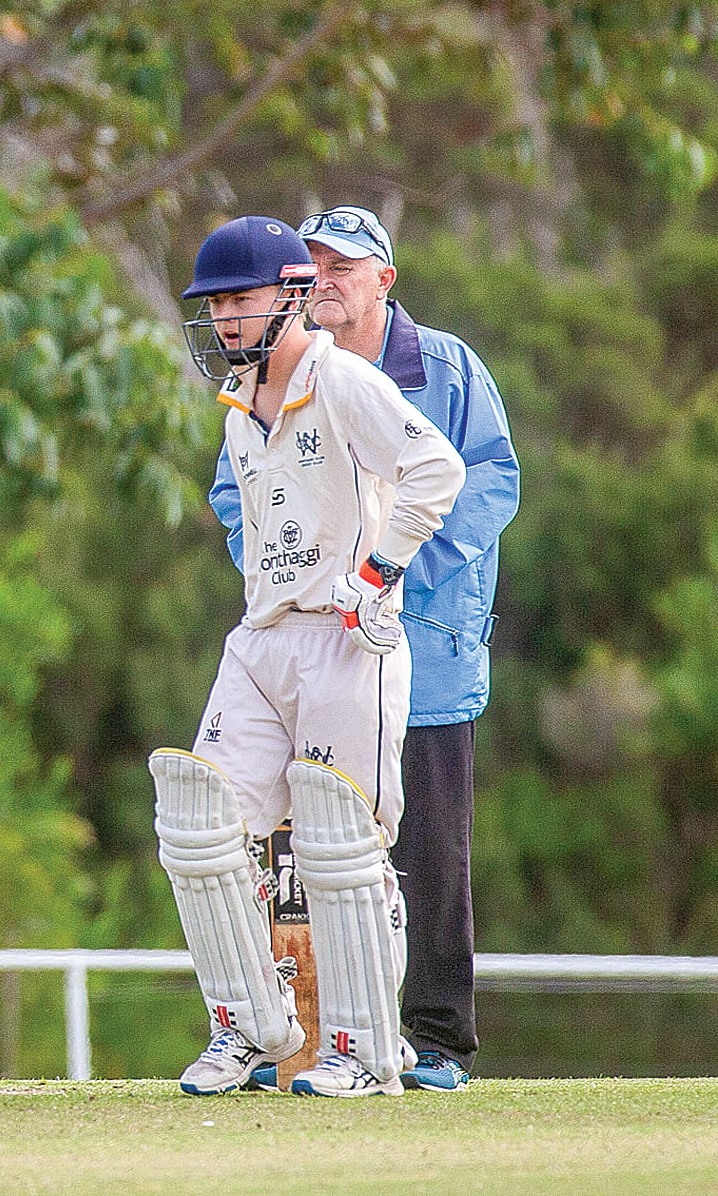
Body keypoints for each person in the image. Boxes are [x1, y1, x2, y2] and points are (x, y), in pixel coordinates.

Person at [150, 216, 465, 1097]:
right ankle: (250, 1025)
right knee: (196, 821)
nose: (224, 321)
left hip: (343, 635)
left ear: (290, 297)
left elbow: (435, 469)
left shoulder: (342, 381)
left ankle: (366, 1050)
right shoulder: (238, 408)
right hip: (260, 637)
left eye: (240, 301)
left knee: (337, 839)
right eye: (214, 305)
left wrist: (377, 573)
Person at [211, 206, 519, 1091]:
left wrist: (391, 566)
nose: (325, 279)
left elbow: (489, 479)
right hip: (317, 641)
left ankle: (435, 1039)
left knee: (426, 844)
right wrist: (282, 573)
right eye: (311, 266)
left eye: (344, 265)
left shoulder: (447, 366)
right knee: (315, 839)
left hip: (427, 638)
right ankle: (312, 1034)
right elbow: (234, 493)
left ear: (384, 279)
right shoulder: (279, 364)